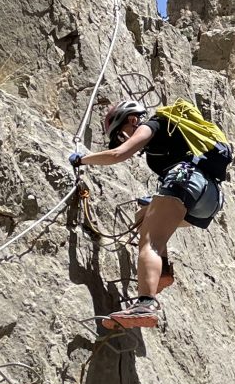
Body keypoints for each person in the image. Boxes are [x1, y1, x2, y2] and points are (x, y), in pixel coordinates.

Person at [69, 99, 223, 328]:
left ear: (131, 120)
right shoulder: (172, 138)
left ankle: (145, 304)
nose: (125, 139)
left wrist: (82, 159)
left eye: (123, 133)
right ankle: (162, 271)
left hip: (185, 180)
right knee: (144, 216)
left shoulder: (151, 125)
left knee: (150, 241)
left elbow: (118, 155)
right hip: (210, 197)